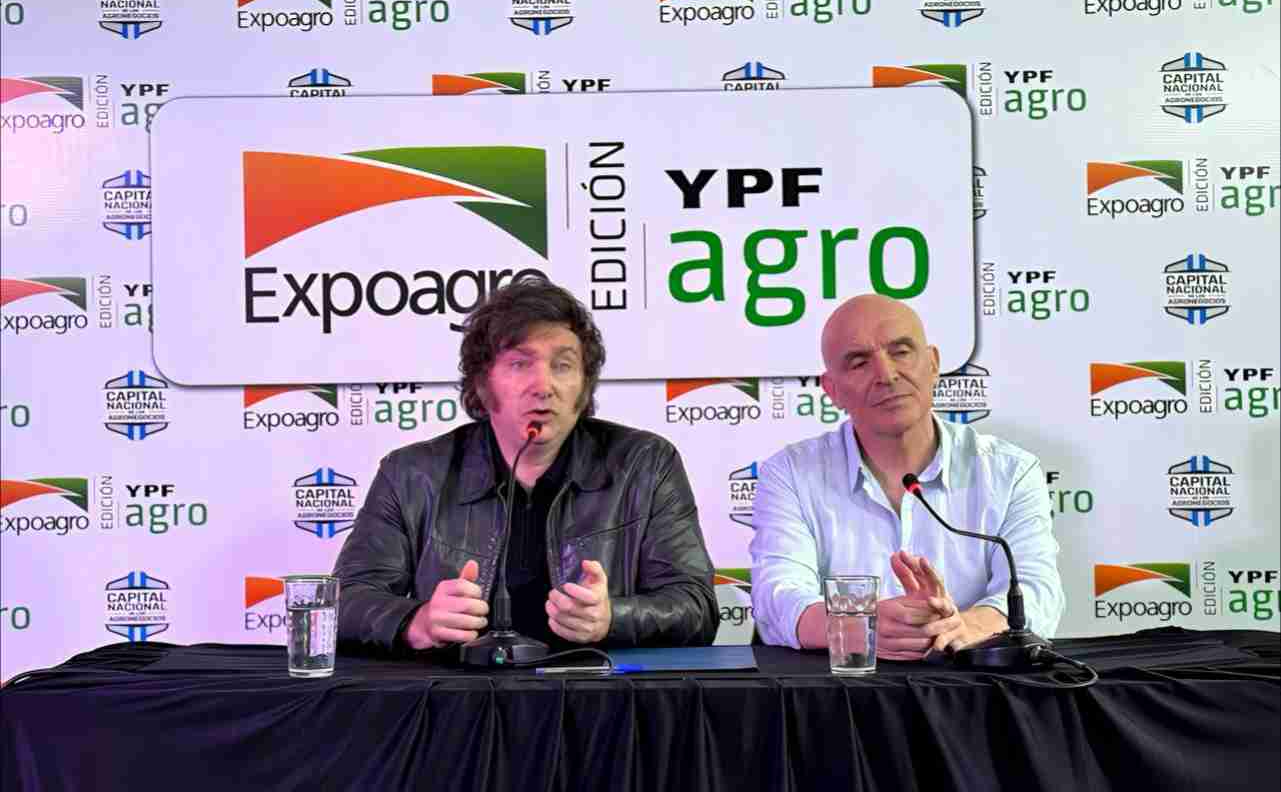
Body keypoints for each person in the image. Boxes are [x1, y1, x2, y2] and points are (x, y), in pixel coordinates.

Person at [334, 277, 718, 654]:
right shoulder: (412, 475)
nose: (543, 386)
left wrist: (612, 618)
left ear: (584, 386)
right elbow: (344, 601)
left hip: (593, 688)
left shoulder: (645, 465)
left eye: (563, 365)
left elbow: (696, 606)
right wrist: (415, 622)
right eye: (520, 364)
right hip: (458, 689)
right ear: (483, 383)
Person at [749, 294, 1064, 658]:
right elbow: (778, 597)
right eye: (859, 363)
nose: (886, 375)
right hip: (843, 687)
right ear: (832, 390)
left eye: (900, 352)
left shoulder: (1009, 471)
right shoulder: (790, 474)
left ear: (933, 364)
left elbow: (1037, 590)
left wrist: (964, 626)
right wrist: (857, 625)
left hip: (974, 684)